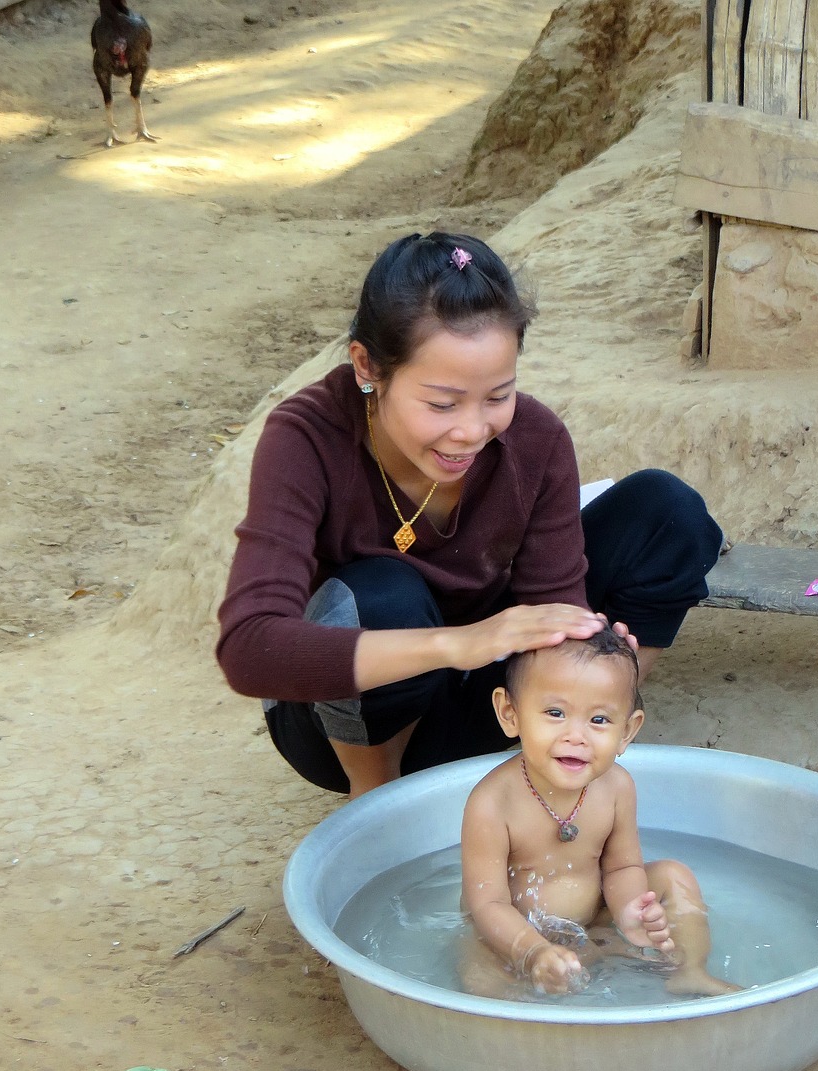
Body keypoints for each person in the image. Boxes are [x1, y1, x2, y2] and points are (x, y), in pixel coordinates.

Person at [216, 231, 724, 798]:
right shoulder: (306, 437)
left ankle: (578, 747)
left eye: (497, 396)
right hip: (344, 720)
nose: (472, 431)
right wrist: (461, 642)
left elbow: (553, 607)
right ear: (367, 365)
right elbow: (250, 649)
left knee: (666, 511)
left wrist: (591, 657)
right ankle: (378, 805)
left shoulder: (535, 440)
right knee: (382, 595)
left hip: (486, 701)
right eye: (441, 403)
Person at [459, 630, 737, 998]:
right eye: (555, 713)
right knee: (480, 978)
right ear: (510, 714)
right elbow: (486, 902)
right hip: (513, 936)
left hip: (596, 924)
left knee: (673, 875)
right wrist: (532, 951)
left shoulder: (617, 787)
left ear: (627, 731)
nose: (577, 736)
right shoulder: (492, 803)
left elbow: (622, 868)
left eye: (600, 720)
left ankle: (689, 970)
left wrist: (630, 912)